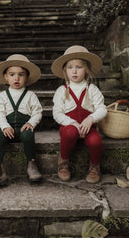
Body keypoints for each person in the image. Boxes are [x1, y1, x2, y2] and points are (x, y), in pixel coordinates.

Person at [0, 54, 43, 190]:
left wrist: (31, 123)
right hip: (8, 128)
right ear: (6, 77)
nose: (16, 78)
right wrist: (4, 127)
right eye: (12, 74)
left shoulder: (31, 95)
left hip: (24, 127)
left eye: (21, 74)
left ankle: (32, 165)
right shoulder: (2, 96)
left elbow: (37, 112)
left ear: (26, 77)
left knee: (28, 136)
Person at [51, 45, 107, 183]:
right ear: (65, 70)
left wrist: (90, 118)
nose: (74, 71)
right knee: (70, 133)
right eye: (70, 67)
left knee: (95, 141)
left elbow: (102, 109)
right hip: (69, 127)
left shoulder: (92, 89)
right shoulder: (61, 90)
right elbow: (57, 113)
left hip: (88, 128)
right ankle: (63, 160)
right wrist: (72, 123)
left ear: (87, 69)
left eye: (79, 67)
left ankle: (94, 166)